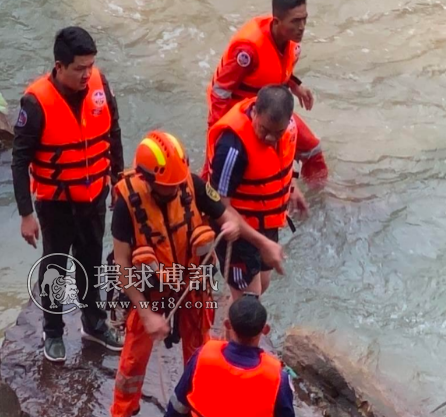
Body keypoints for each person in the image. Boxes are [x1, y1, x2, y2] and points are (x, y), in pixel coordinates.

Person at [11, 26, 125, 362]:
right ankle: (54, 331)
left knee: (90, 261)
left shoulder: (101, 86)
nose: (86, 74)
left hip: (94, 195)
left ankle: (94, 323)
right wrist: (26, 213)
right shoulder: (35, 102)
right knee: (56, 266)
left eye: (90, 66)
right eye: (79, 68)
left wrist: (118, 181)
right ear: (59, 66)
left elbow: (113, 132)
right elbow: (19, 160)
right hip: (55, 202)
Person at [110, 131, 242, 417]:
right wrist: (146, 314)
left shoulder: (191, 184)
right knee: (132, 361)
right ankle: (123, 411)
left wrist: (230, 225)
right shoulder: (126, 204)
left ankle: (196, 407)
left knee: (199, 354)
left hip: (192, 287)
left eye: (178, 182)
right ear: (148, 179)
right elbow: (121, 265)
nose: (176, 188)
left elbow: (226, 214)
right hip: (151, 292)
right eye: (169, 185)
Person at [203, 0, 328, 187]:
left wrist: (296, 86)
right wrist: (220, 131)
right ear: (277, 22)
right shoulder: (247, 51)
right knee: (216, 167)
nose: (301, 27)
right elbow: (219, 92)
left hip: (270, 105)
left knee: (313, 150)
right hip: (239, 113)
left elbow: (276, 69)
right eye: (295, 21)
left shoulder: (291, 42)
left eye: (304, 19)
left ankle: (319, 198)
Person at [206, 85, 309, 300]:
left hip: (266, 223)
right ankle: (236, 325)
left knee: (262, 284)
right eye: (264, 130)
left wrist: (291, 188)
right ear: (254, 113)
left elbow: (282, 163)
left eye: (277, 132)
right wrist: (263, 243)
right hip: (236, 230)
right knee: (249, 300)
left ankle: (231, 312)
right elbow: (218, 204)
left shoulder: (288, 127)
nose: (270, 138)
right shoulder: (233, 147)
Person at [164, 295, 295, 417]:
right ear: (265, 330)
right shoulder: (278, 378)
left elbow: (177, 406)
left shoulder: (202, 357)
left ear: (227, 325)